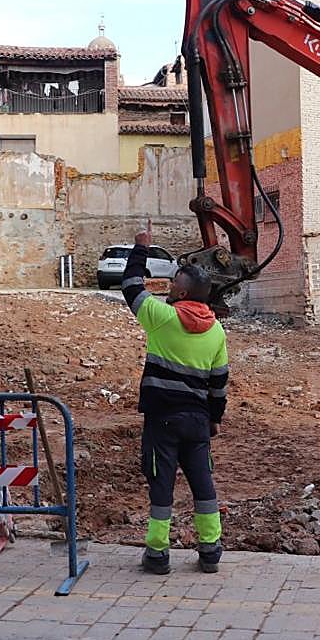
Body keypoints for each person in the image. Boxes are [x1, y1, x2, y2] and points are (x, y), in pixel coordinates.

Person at [121, 224, 228, 575]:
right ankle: (210, 551)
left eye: (172, 286)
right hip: (197, 422)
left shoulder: (162, 319)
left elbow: (131, 287)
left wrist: (141, 249)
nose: (168, 290)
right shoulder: (216, 331)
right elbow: (219, 383)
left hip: (162, 421)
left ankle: (157, 553)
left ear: (181, 293)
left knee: (161, 487)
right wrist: (214, 418)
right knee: (203, 484)